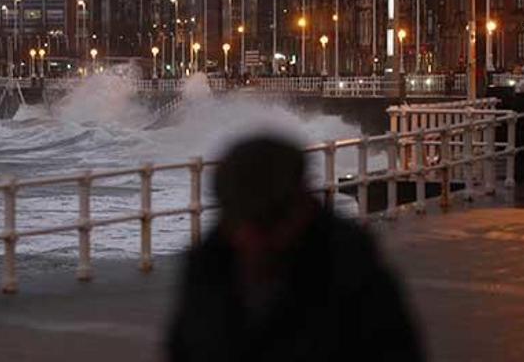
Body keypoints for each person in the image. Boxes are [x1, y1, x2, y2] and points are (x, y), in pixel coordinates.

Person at [167, 136, 424, 361]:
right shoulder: (209, 267)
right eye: (241, 221)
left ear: (303, 205)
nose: (255, 239)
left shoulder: (352, 274)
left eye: (269, 220)